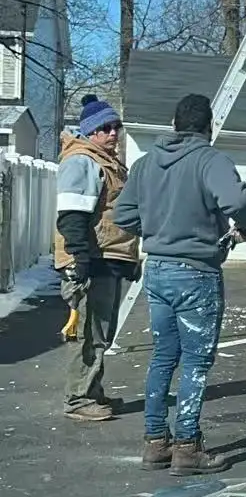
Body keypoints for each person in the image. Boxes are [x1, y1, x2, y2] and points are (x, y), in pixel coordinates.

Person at [113, 92, 246, 475]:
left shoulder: (146, 165)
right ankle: (188, 447)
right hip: (196, 273)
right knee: (196, 361)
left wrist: (159, 229)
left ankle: (155, 443)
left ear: (174, 125)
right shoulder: (209, 160)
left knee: (163, 356)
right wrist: (245, 228)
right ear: (207, 127)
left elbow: (123, 214)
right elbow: (238, 202)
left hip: (157, 269)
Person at [54, 97, 141, 422]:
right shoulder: (82, 161)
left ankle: (92, 391)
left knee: (101, 332)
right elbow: (72, 215)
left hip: (107, 259)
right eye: (105, 128)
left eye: (116, 126)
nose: (113, 133)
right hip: (89, 261)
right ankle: (78, 399)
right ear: (90, 132)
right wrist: (79, 258)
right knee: (87, 333)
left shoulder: (106, 161)